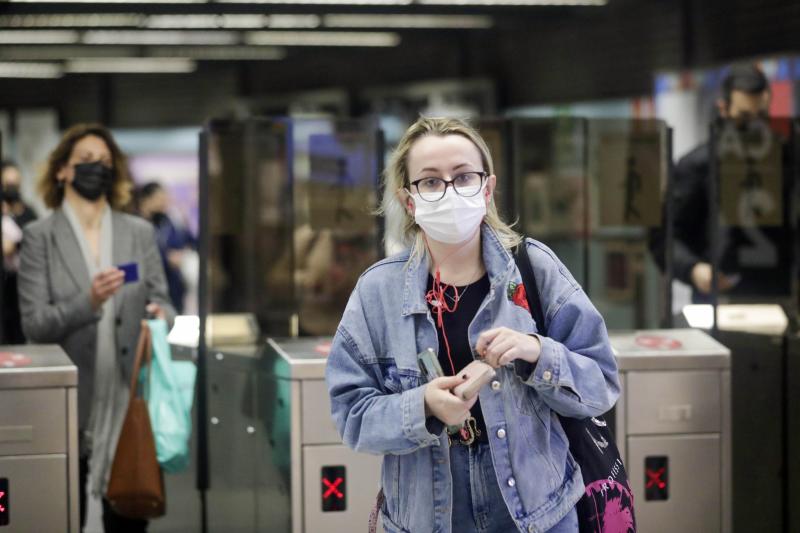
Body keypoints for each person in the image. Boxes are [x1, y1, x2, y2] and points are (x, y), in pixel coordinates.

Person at [325, 117, 620, 533]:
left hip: (538, 516)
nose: (448, 191)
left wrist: (537, 353)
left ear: (487, 187)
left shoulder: (534, 268)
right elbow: (351, 416)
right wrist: (423, 406)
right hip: (426, 520)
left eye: (463, 176)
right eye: (430, 182)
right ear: (408, 201)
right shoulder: (378, 292)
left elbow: (602, 384)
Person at [17, 123, 175, 533]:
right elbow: (35, 325)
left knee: (128, 516)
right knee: (60, 512)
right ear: (62, 171)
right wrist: (88, 302)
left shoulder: (138, 233)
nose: (97, 169)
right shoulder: (39, 238)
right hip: (70, 403)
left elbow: (166, 302)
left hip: (129, 401)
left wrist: (162, 315)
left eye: (105, 162)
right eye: (86, 161)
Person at [670, 64, 772, 300]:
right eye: (744, 117)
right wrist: (694, 269)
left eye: (762, 116)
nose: (754, 127)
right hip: (717, 298)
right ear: (723, 109)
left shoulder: (783, 162)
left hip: (775, 296)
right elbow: (667, 235)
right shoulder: (697, 166)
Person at [136, 181, 195, 314]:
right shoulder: (136, 225)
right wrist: (166, 258)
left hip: (173, 287)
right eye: (160, 198)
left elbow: (189, 240)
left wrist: (182, 255)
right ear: (146, 200)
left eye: (165, 198)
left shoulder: (169, 221)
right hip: (146, 288)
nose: (164, 203)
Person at [0, 161, 39, 343]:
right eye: (7, 184)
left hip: (23, 284)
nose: (12, 189)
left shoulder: (29, 213)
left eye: (15, 184)